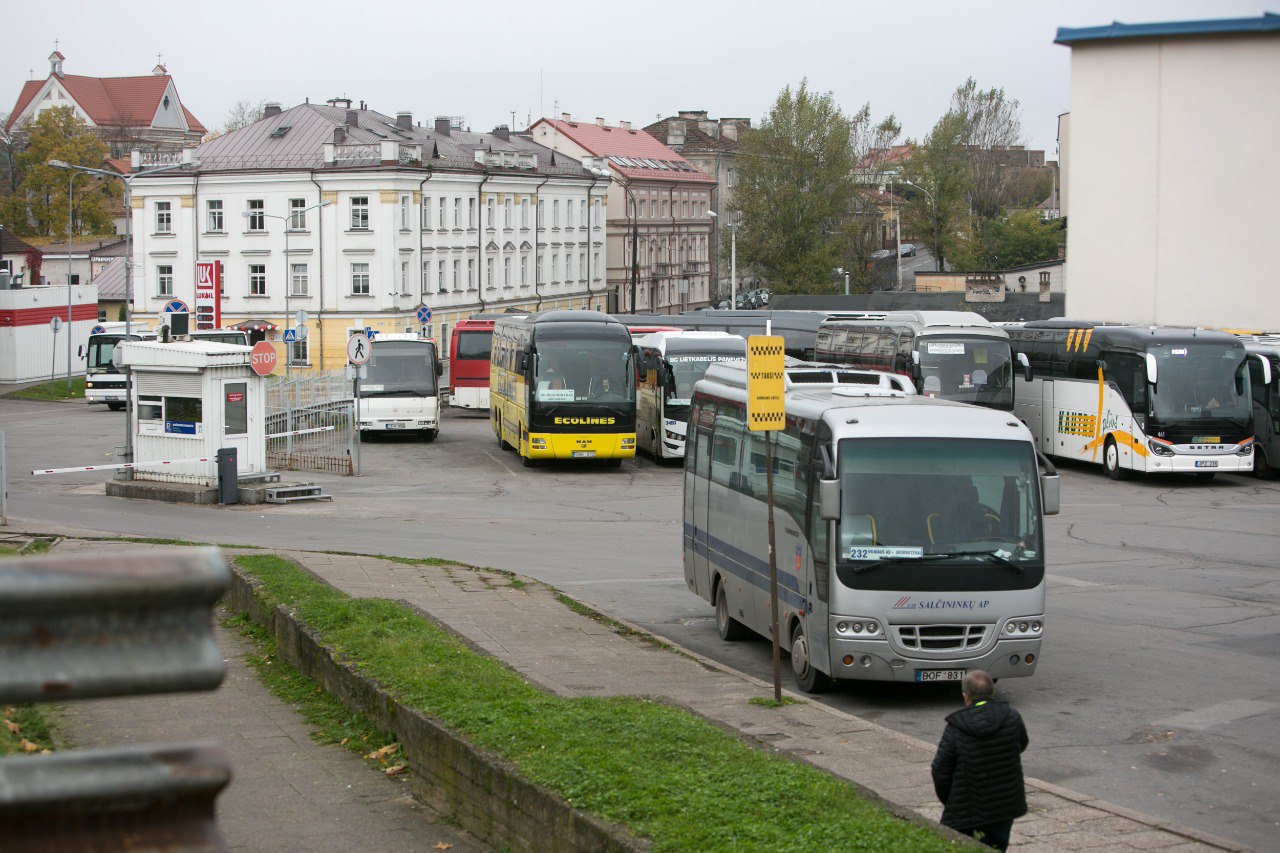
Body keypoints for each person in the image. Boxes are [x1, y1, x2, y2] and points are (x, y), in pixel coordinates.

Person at [931, 670, 1029, 850]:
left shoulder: (956, 728)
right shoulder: (1011, 717)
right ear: (991, 692)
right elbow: (1021, 744)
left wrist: (950, 799)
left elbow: (940, 771)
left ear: (965, 696)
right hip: (1004, 805)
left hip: (965, 809)